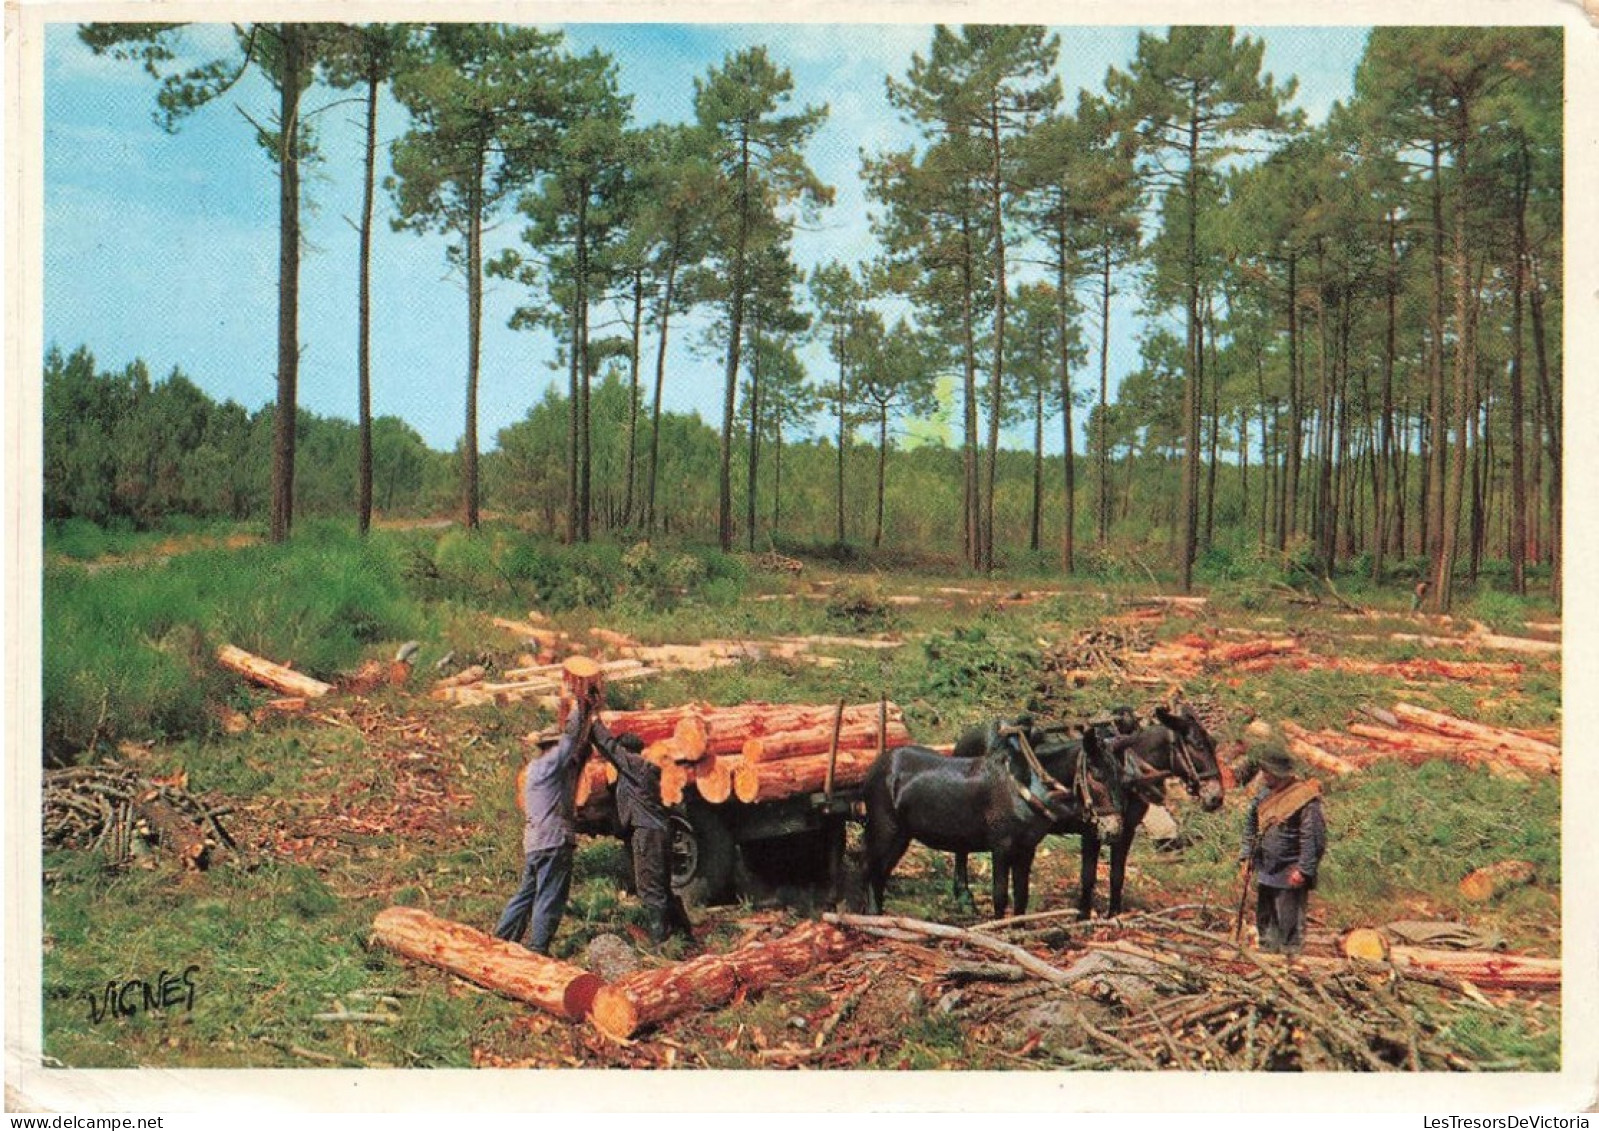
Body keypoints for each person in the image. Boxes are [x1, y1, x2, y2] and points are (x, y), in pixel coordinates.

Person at [493, 659, 605, 956]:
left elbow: (574, 751)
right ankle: (538, 950)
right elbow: (571, 741)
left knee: (526, 893)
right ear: (550, 747)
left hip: (534, 842)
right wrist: (583, 704)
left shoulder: (534, 769)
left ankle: (501, 941)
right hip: (554, 840)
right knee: (550, 896)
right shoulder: (552, 763)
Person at [594, 730, 695, 946]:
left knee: (650, 888)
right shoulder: (644, 771)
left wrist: (590, 718)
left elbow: (607, 745)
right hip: (659, 831)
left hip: (647, 833)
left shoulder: (633, 764)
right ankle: (685, 936)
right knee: (663, 886)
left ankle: (659, 943)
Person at [1237, 740, 1327, 955]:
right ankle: (1267, 957)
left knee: (1289, 923)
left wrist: (1304, 869)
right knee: (1266, 920)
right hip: (1266, 867)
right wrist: (1246, 856)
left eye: (1268, 771)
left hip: (1290, 871)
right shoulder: (1263, 795)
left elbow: (1312, 837)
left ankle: (1290, 960)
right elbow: (1251, 826)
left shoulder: (1304, 799)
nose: (1265, 776)